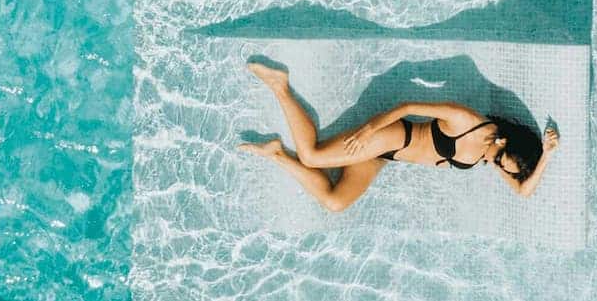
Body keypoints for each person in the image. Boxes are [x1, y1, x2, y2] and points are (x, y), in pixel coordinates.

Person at [239, 61, 559, 213]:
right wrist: (369, 130)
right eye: (500, 161)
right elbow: (409, 105)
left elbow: (523, 192)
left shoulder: (495, 153)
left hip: (384, 156)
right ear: (502, 142)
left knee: (334, 203)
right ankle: (280, 86)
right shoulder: (467, 121)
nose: (493, 165)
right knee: (312, 155)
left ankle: (277, 153)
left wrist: (546, 154)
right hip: (390, 137)